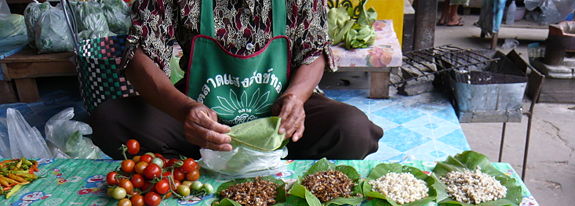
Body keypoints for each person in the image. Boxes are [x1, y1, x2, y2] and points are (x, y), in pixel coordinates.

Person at [89, 0, 384, 160]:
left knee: (353, 130)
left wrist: (296, 97)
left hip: (276, 121)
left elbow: (314, 51)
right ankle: (202, 161)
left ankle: (271, 162)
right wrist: (183, 110)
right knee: (109, 120)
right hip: (201, 118)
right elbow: (139, 57)